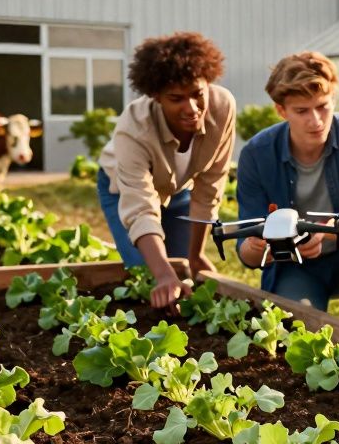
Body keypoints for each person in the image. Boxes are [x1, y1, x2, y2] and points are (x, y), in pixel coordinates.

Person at [234, 51, 339, 325]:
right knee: (294, 329)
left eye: (323, 106)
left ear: (334, 98)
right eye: (302, 111)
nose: (315, 120)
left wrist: (327, 231)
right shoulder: (257, 154)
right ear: (281, 110)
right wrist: (260, 247)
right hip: (295, 265)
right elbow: (246, 252)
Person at [97, 31, 235, 311]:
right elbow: (140, 208)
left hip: (179, 189)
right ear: (156, 96)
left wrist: (195, 255)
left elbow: (209, 185)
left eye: (197, 94)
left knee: (184, 271)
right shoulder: (134, 128)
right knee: (149, 274)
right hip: (123, 189)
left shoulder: (222, 107)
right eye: (176, 98)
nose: (192, 108)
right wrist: (162, 275)